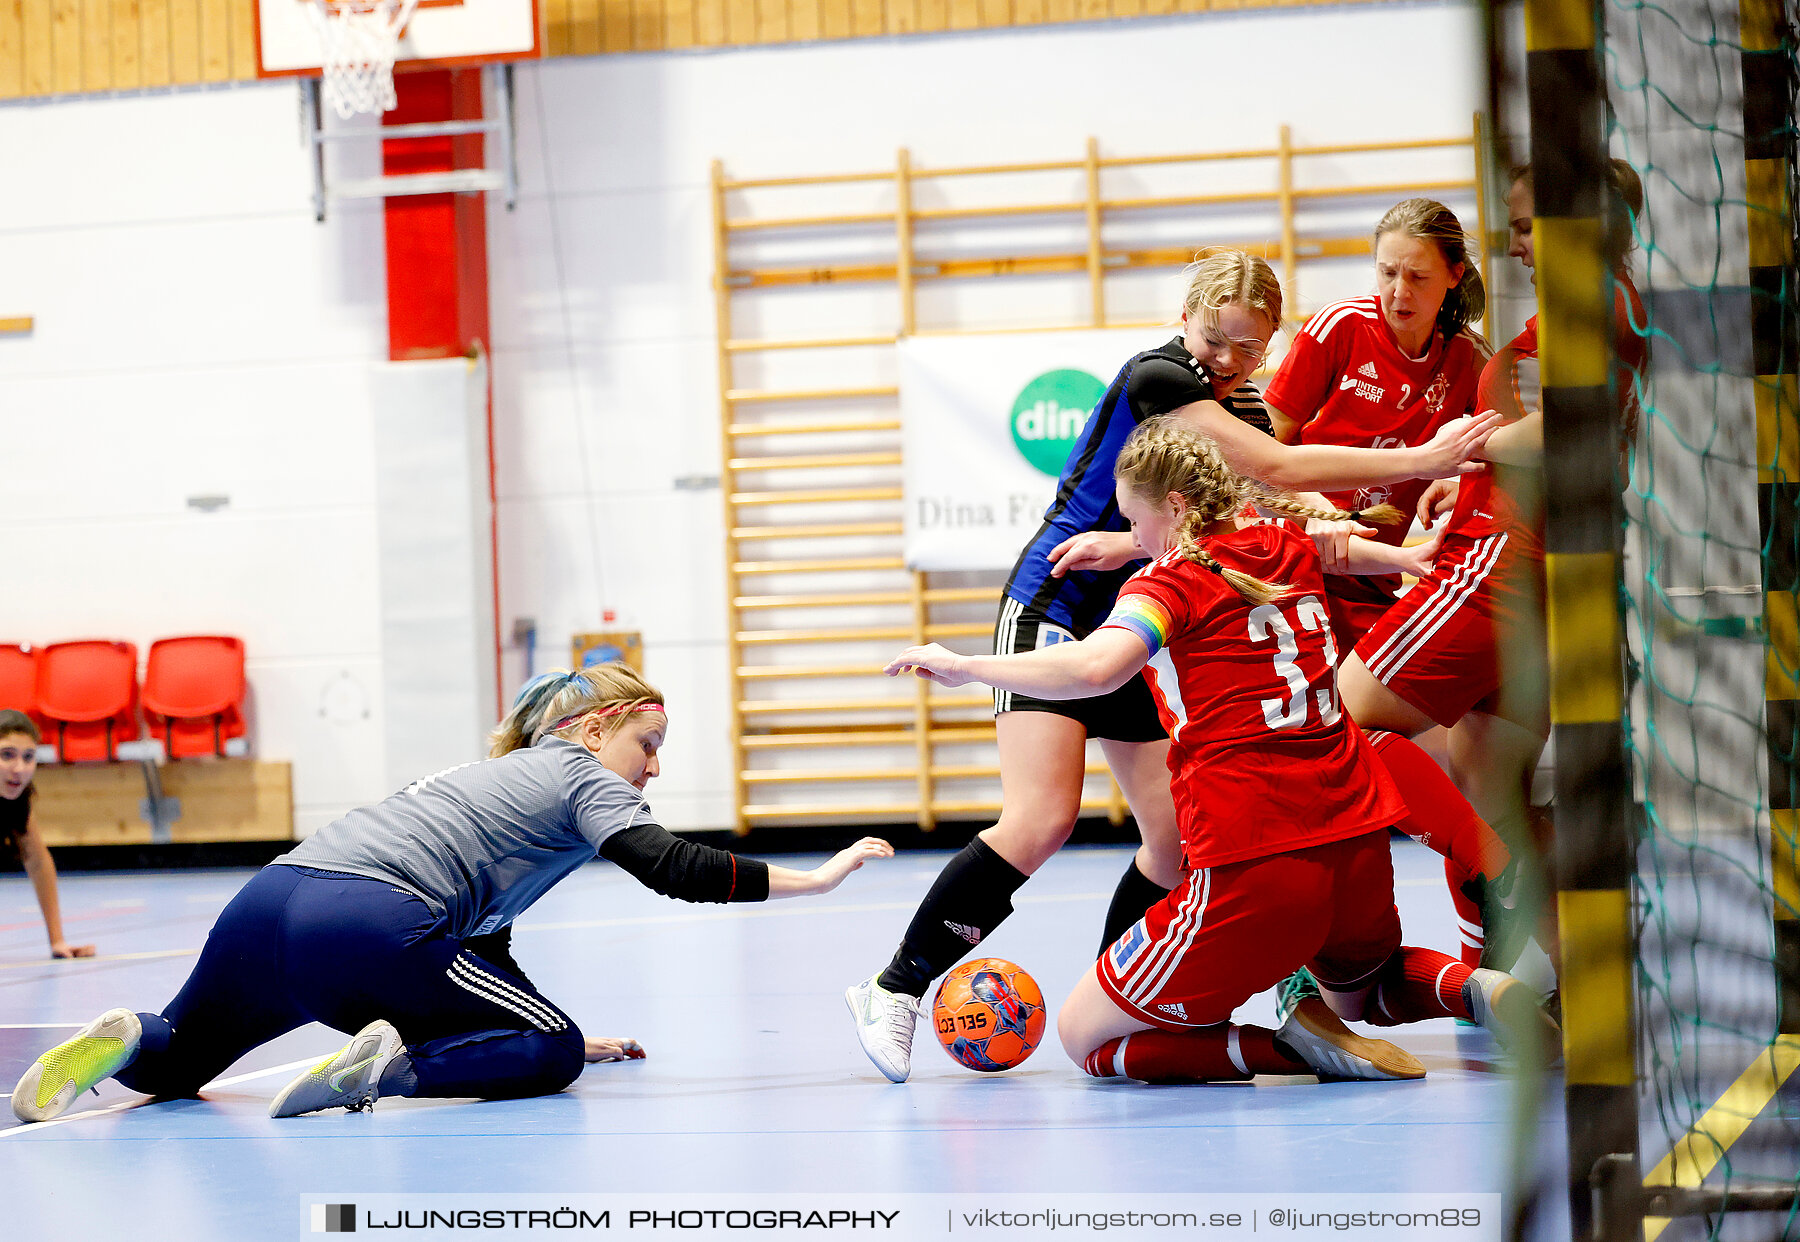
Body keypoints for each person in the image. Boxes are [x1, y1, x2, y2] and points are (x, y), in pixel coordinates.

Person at [844, 250, 1502, 1084]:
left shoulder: (1244, 405)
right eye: (1218, 341)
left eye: (1250, 350)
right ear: (1187, 317)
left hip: (1156, 624)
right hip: (1064, 606)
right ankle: (894, 987)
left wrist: (1383, 545)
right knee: (1042, 817)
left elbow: (1281, 509)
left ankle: (1118, 990)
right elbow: (1277, 471)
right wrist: (1419, 459)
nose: (1230, 362)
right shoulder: (1161, 377)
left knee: (1172, 842)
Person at [12, 665, 892, 1124]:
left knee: (175, 1066)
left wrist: (538, 1023)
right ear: (592, 729)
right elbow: (670, 866)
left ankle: (127, 1035)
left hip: (272, 899)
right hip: (367, 923)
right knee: (549, 1053)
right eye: (647, 741)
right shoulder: (580, 773)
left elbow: (480, 942)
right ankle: (385, 1071)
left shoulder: (497, 775)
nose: (655, 765)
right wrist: (812, 877)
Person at [1345, 162, 1648, 970]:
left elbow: (1567, 430)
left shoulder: (1592, 303)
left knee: (1337, 721)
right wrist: (1460, 471)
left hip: (1497, 565)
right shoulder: (1604, 302)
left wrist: (1449, 453)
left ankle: (1498, 877)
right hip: (1543, 572)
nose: (1513, 245)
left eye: (1523, 225)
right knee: (1492, 785)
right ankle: (1573, 980)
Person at [1260, 198, 1524, 966]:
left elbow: (1486, 461)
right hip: (1307, 574)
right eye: (1385, 271)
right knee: (1325, 760)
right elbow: (1261, 456)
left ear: (1453, 280)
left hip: (1395, 581)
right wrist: (1319, 515)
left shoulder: (1470, 363)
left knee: (1452, 775)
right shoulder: (1339, 329)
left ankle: (1484, 956)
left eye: (1415, 275)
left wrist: (1449, 498)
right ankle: (1320, 966)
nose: (1396, 289)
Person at [0, 710, 96, 960]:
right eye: (7, 755)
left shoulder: (18, 799)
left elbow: (38, 862)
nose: (19, 768)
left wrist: (57, 941)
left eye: (28, 757)